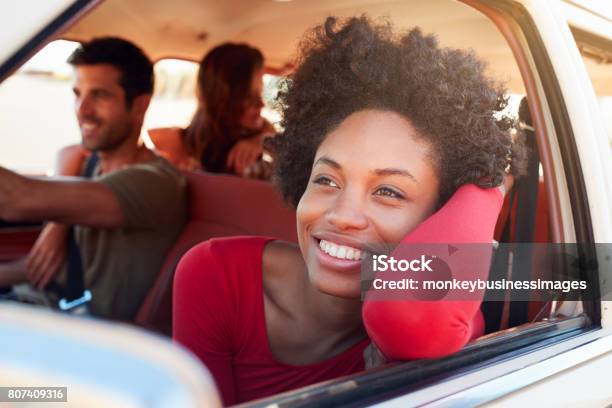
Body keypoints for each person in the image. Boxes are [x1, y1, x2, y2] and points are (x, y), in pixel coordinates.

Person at [172, 16, 526, 405]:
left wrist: (487, 183)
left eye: (388, 191)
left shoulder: (443, 305)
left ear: (441, 216)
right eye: (326, 180)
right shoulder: (215, 274)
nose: (342, 215)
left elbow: (415, 320)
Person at [0, 37, 187, 321]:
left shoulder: (156, 183)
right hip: (31, 306)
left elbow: (16, 199)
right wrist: (58, 222)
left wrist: (57, 217)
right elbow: (38, 268)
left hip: (71, 333)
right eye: (78, 93)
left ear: (139, 106)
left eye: (99, 95)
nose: (82, 109)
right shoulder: (91, 167)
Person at [149, 42, 276, 175]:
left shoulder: (267, 137)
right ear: (221, 99)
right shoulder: (170, 145)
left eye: (260, 93)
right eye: (249, 96)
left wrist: (265, 141)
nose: (262, 104)